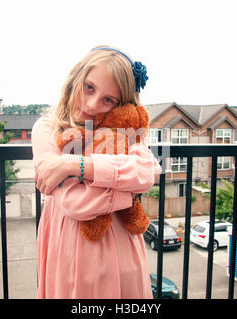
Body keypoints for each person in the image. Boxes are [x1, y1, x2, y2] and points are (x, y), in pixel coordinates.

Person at [31, 46, 162, 299]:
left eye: (108, 99)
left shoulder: (123, 132)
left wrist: (73, 165)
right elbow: (74, 203)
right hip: (71, 250)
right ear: (75, 79)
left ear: (121, 104)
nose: (91, 104)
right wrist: (128, 193)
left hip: (124, 253)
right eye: (89, 87)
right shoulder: (47, 129)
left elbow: (146, 172)